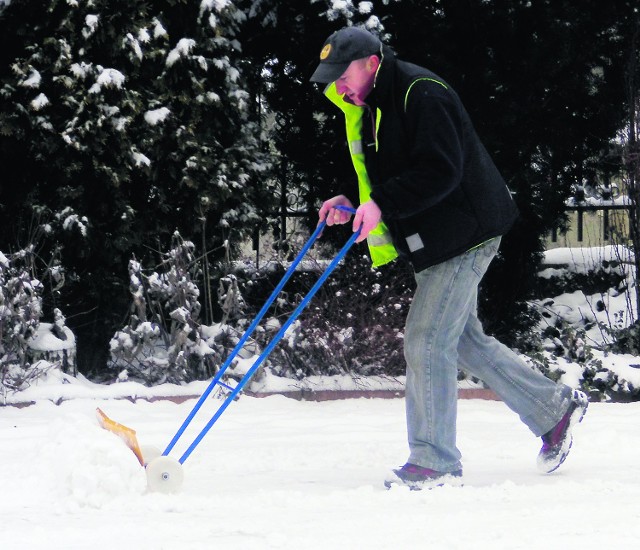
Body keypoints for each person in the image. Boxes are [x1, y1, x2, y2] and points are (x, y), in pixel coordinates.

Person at [310, 26, 588, 490]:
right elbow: (388, 176)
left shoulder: (421, 92)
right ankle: (554, 410)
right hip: (438, 239)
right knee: (461, 341)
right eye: (330, 77)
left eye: (342, 74)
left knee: (425, 338)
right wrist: (355, 202)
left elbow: (441, 170)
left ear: (371, 63)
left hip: (467, 232)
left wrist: (381, 204)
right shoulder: (374, 105)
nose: (336, 85)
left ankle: (434, 460)